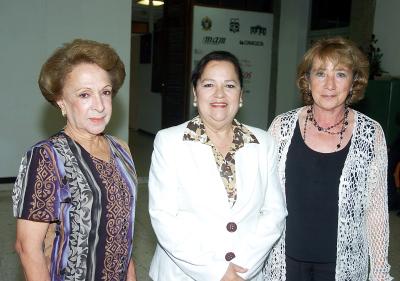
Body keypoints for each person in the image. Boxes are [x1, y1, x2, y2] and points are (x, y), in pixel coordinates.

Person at [148, 51, 287, 280]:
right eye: (209, 84)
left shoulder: (263, 143)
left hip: (246, 273)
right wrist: (217, 272)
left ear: (241, 94)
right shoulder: (169, 142)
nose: (219, 94)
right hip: (184, 274)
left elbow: (274, 213)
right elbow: (163, 217)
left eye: (230, 86)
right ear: (195, 92)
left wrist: (242, 268)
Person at [263, 37, 393, 280]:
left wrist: (379, 272)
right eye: (321, 73)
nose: (330, 85)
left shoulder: (370, 133)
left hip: (343, 265)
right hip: (284, 261)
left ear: (354, 82)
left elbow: (376, 210)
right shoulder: (281, 127)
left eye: (341, 74)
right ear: (307, 79)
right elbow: (262, 195)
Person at [12, 39, 137, 281]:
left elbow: (124, 233)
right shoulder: (46, 156)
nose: (99, 106)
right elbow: (27, 249)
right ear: (61, 101)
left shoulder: (121, 149)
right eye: (84, 95)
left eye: (106, 92)